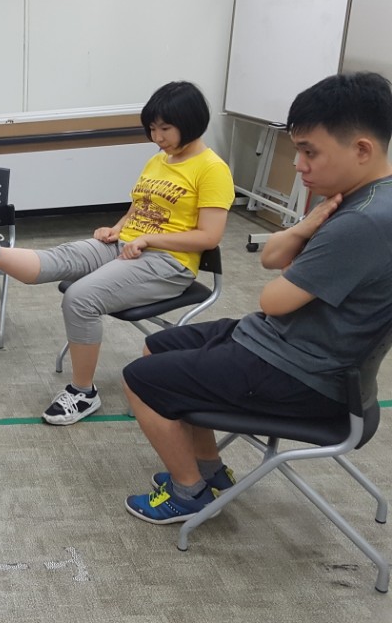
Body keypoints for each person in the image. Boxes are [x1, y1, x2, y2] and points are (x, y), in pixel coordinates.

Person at [121, 71, 392, 524]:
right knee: (158, 346)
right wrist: (310, 224)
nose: (299, 165)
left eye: (309, 152)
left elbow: (273, 300)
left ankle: (189, 493)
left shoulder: (361, 221)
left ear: (361, 149)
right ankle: (210, 471)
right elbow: (272, 256)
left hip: (302, 372)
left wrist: (305, 250)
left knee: (139, 379)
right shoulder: (353, 198)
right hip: (285, 344)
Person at [0, 81, 234, 425]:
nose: (157, 137)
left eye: (165, 129)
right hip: (127, 244)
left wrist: (149, 240)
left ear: (191, 122)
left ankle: (83, 393)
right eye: (152, 129)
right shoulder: (159, 160)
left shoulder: (212, 169)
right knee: (62, 257)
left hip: (168, 264)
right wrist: (117, 228)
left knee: (79, 298)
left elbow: (209, 236)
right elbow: (140, 207)